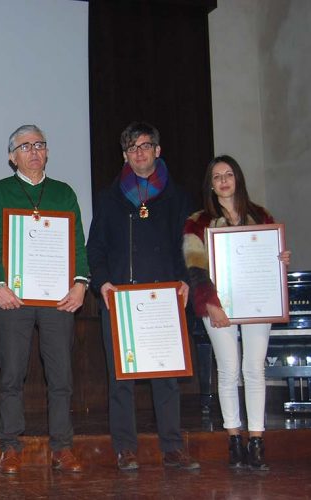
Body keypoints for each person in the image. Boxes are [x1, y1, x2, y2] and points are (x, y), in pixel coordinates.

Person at [87, 121, 199, 471]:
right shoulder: (108, 198)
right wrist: (102, 283)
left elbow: (191, 247)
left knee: (166, 377)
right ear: (125, 155)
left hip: (165, 298)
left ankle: (173, 448)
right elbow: (96, 249)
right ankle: (125, 448)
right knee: (121, 378)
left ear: (158, 150)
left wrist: (185, 281)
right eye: (132, 148)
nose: (139, 152)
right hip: (120, 299)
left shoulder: (179, 197)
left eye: (145, 145)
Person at [0, 125, 89, 474]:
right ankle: (10, 446)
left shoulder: (63, 192)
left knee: (61, 376)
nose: (33, 151)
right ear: (12, 157)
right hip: (14, 297)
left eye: (40, 145)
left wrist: (80, 284)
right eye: (25, 146)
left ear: (47, 152)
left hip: (59, 298)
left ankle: (62, 446)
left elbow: (78, 243)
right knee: (12, 373)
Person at [183, 155, 290, 470]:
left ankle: (256, 441)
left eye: (228, 174)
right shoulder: (198, 221)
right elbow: (195, 266)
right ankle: (234, 440)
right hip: (217, 305)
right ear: (210, 185)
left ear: (238, 179)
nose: (224, 180)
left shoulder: (261, 214)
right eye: (217, 176)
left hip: (258, 303)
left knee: (254, 369)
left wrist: (281, 259)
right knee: (229, 370)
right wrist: (210, 303)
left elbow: (270, 259)